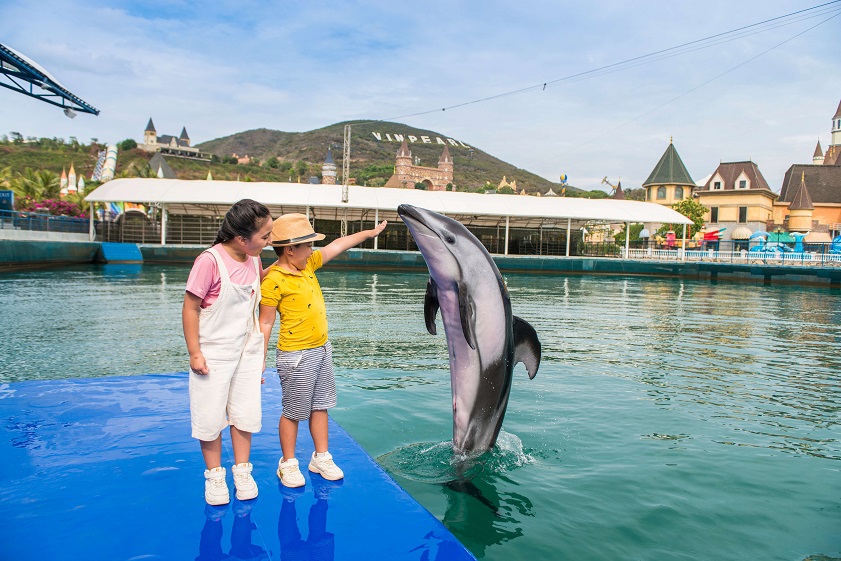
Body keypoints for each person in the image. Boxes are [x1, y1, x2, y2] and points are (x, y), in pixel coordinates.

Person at [259, 213, 386, 488]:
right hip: (296, 355)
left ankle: (321, 456)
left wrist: (369, 233)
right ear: (291, 249)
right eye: (308, 245)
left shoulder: (307, 266)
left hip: (321, 349)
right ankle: (288, 463)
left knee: (321, 406)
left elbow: (338, 245)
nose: (313, 250)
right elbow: (266, 322)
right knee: (293, 412)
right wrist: (259, 359)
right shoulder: (273, 280)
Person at [183, 199, 274, 505]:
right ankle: (215, 475)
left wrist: (285, 265)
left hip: (246, 350)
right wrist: (195, 352)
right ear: (241, 238)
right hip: (214, 352)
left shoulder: (253, 259)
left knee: (245, 413)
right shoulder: (209, 261)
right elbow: (190, 306)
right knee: (210, 416)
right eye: (265, 236)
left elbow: (254, 287)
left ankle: (242, 471)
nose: (269, 241)